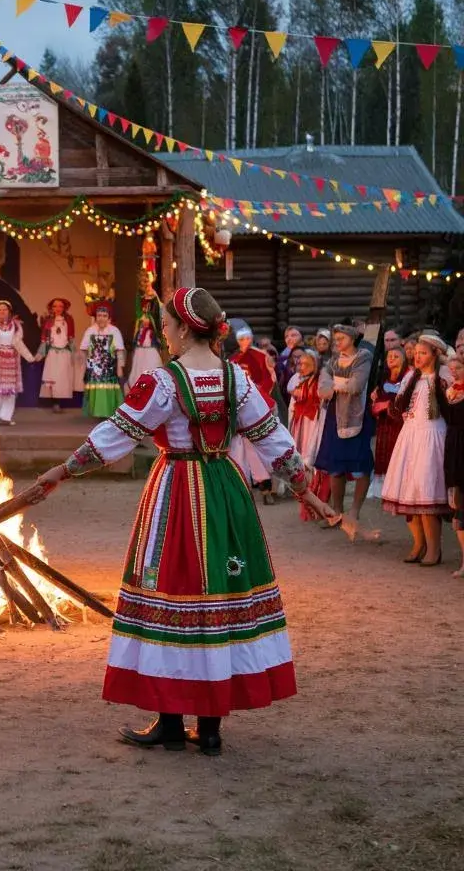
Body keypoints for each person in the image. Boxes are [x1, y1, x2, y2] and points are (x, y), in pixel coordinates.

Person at [34, 287, 335, 756]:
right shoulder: (235, 378)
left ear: (180, 329)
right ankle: (210, 727)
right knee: (218, 597)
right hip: (227, 493)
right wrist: (305, 491)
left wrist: (63, 470)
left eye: (167, 326)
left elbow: (117, 432)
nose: (165, 334)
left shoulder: (165, 382)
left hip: (176, 490)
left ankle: (172, 720)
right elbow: (273, 439)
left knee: (172, 595)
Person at [382, 333, 452, 565]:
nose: (417, 357)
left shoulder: (442, 376)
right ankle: (418, 543)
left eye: (423, 353)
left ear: (435, 354)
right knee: (408, 491)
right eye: (416, 353)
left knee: (425, 492)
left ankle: (434, 548)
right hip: (410, 436)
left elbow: (452, 405)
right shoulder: (412, 377)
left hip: (432, 436)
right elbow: (397, 409)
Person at [314, 324, 375, 531]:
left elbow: (356, 386)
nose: (337, 341)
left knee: (361, 463)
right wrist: (338, 385)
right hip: (335, 415)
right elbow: (322, 386)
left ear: (352, 338)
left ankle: (354, 511)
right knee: (335, 465)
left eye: (341, 338)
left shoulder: (363, 357)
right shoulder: (333, 361)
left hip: (357, 414)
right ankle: (337, 512)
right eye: (335, 338)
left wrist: (335, 385)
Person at [228, 327, 278, 504]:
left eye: (247, 338)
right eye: (241, 339)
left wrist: (256, 394)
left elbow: (269, 378)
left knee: (256, 449)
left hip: (256, 404)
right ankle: (241, 488)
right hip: (237, 408)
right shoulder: (232, 359)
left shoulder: (260, 356)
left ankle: (266, 488)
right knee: (237, 450)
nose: (244, 342)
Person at [286, 349, 328, 522]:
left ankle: (321, 505)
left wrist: (301, 394)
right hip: (300, 424)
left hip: (315, 424)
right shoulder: (298, 380)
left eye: (305, 364)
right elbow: (291, 392)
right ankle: (307, 507)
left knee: (314, 463)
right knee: (301, 464)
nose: (301, 367)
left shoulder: (321, 380)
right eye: (300, 364)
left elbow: (319, 397)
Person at [0, 300, 35, 427]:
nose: (2, 311)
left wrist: (29, 357)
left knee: (9, 390)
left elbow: (18, 342)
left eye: (5, 309)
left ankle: (6, 417)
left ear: (9, 311)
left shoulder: (16, 326)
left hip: (11, 359)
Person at [370, 346, 408, 497]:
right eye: (389, 356)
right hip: (384, 423)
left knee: (396, 452)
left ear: (404, 359)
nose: (391, 358)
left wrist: (387, 405)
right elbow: (376, 399)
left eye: (396, 356)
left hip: (398, 423)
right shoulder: (383, 378)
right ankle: (384, 488)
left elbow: (405, 401)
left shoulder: (407, 378)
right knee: (382, 452)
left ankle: (399, 487)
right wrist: (376, 404)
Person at [438, 354, 464, 577]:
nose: (453, 371)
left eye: (457, 367)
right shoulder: (449, 393)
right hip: (454, 446)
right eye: (451, 368)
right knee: (459, 504)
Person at [79, 301, 125, 417]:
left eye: (104, 316)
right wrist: (85, 366)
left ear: (109, 318)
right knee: (96, 390)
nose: (101, 318)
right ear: (96, 317)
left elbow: (119, 350)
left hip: (110, 366)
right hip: (94, 367)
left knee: (109, 390)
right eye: (99, 316)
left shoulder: (114, 331)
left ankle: (109, 413)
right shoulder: (90, 330)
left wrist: (120, 368)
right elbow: (83, 349)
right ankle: (97, 413)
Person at [36, 298, 75, 413]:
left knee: (62, 378)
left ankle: (59, 403)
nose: (57, 309)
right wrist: (40, 353)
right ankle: (55, 403)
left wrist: (73, 353)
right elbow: (44, 339)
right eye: (55, 306)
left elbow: (71, 337)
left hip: (64, 353)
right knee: (52, 378)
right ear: (51, 308)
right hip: (52, 353)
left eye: (60, 306)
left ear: (64, 308)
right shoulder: (47, 321)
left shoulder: (68, 320)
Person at [128, 272, 163, 390]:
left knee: (152, 355)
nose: (146, 285)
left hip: (151, 333)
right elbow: (138, 311)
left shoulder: (154, 297)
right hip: (142, 330)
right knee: (139, 355)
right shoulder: (140, 296)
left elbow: (157, 313)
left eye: (147, 282)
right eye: (143, 282)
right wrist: (141, 318)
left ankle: (153, 382)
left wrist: (150, 319)